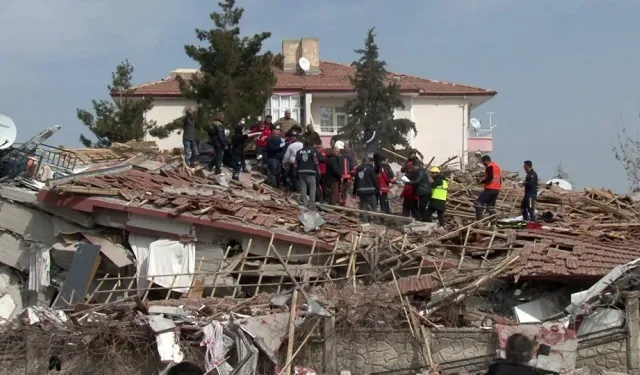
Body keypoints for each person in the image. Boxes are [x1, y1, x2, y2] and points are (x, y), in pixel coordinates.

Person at [294, 139, 321, 209]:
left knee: (303, 188)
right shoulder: (312, 151)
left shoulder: (298, 152)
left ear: (303, 144)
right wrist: (319, 172)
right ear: (310, 144)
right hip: (310, 172)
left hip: (301, 172)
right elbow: (316, 162)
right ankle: (312, 204)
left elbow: (295, 164)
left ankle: (305, 204)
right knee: (312, 188)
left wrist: (295, 172)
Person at [353, 155, 380, 223]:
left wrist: (354, 192)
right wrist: (378, 189)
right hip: (370, 191)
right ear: (367, 161)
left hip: (361, 191)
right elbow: (375, 179)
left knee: (363, 208)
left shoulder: (358, 169)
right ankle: (376, 222)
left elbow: (356, 181)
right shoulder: (370, 168)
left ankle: (365, 222)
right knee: (374, 207)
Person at [475, 155, 502, 220]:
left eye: (483, 163)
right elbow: (500, 180)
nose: (484, 165)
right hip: (497, 189)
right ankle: (493, 224)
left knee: (478, 202)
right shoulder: (497, 166)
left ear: (485, 161)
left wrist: (482, 182)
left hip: (490, 188)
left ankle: (479, 220)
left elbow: (490, 178)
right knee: (491, 207)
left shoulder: (489, 167)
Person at [401, 151, 419, 217]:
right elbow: (402, 170)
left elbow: (415, 172)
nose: (411, 156)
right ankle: (405, 217)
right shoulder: (407, 162)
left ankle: (416, 218)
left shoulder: (417, 163)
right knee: (406, 203)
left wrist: (408, 174)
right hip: (408, 184)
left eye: (412, 155)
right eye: (410, 155)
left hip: (414, 184)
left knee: (413, 204)